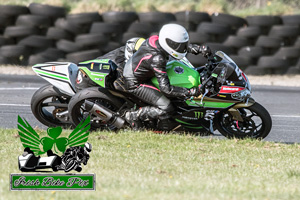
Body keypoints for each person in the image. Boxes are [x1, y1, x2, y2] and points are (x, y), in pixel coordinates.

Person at [123, 23, 211, 129]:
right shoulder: (158, 59)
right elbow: (166, 89)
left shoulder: (157, 40)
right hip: (136, 82)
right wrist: (189, 92)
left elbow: (178, 47)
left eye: (183, 44)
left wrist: (198, 49)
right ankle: (132, 116)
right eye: (178, 45)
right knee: (167, 107)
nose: (181, 47)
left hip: (141, 70)